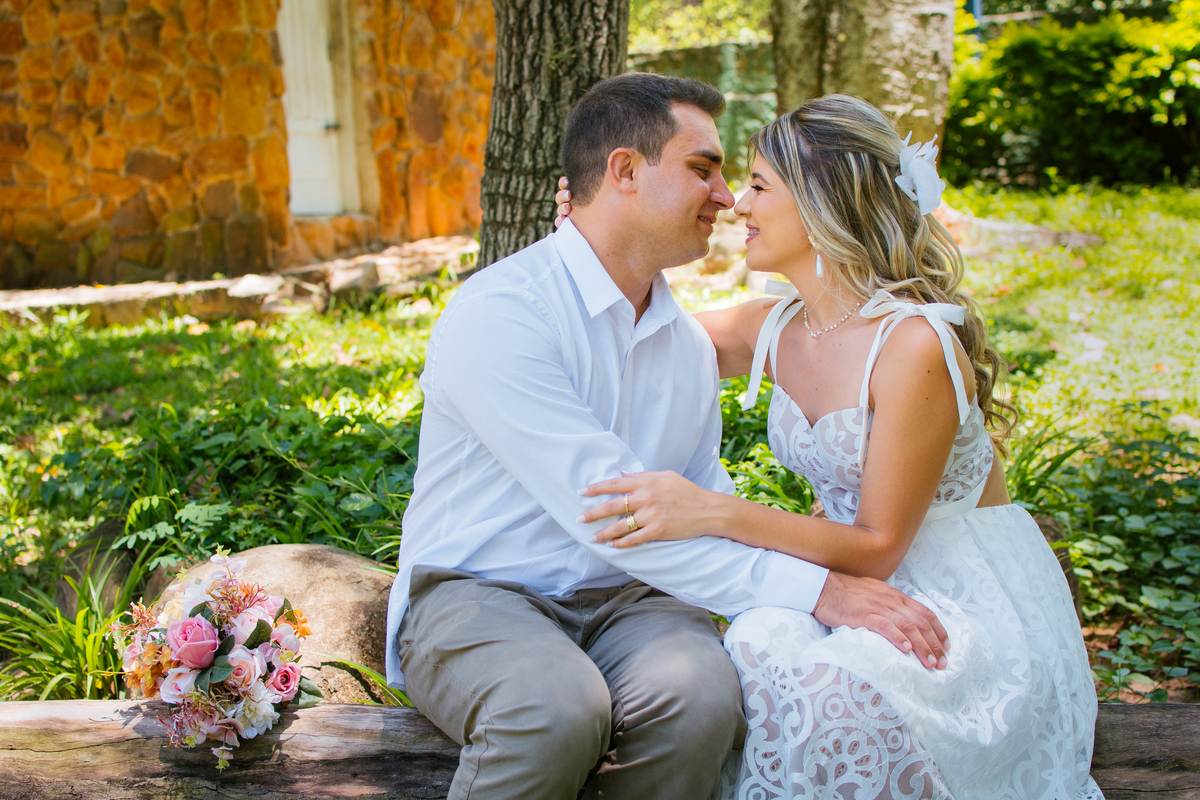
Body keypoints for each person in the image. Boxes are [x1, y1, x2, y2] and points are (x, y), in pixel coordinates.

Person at [385, 74, 954, 800]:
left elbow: (695, 493)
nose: (725, 197)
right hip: (483, 591)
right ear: (623, 171)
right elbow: (614, 512)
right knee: (553, 711)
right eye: (703, 169)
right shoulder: (501, 315)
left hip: (634, 598)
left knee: (700, 702)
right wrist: (819, 591)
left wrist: (805, 571)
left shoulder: (683, 341)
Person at [560, 94, 1101, 799]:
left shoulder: (912, 344)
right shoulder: (775, 327)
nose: (736, 206)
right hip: (846, 581)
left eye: (758, 186)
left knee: (833, 687)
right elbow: (634, 331)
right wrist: (595, 234)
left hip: (959, 600)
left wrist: (710, 511)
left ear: (821, 203)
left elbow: (880, 544)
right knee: (753, 648)